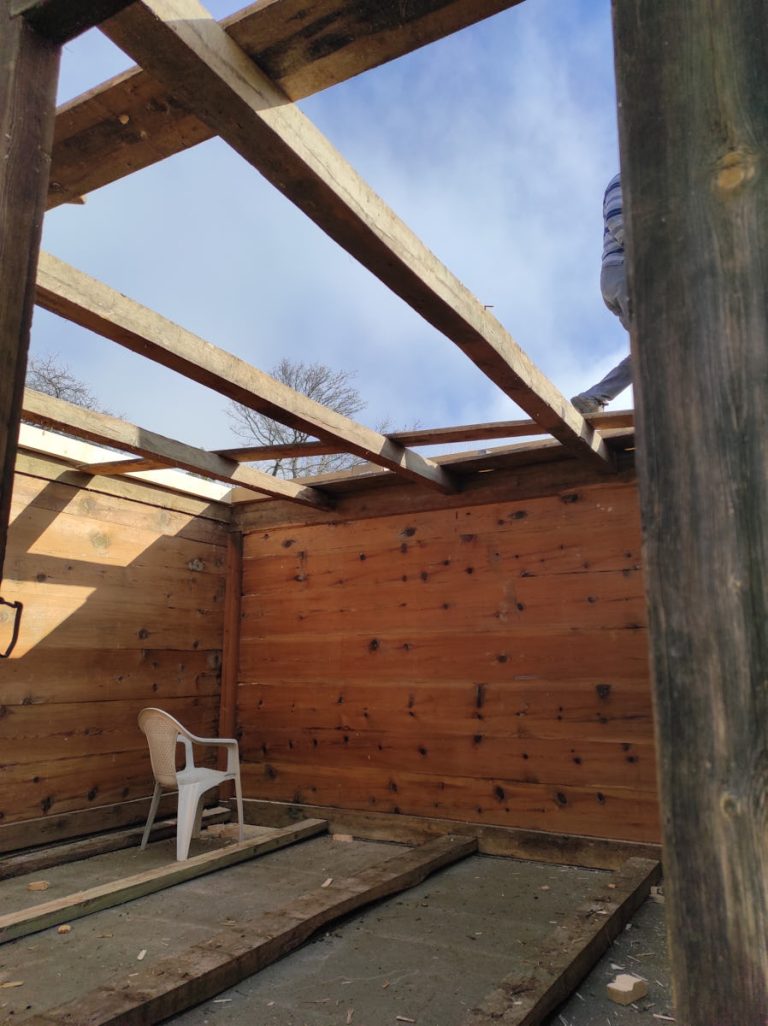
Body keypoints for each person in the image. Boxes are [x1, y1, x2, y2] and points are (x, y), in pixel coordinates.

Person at [570, 171, 632, 415]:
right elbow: (617, 220)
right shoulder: (626, 179)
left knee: (661, 345)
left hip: (623, 274)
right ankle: (593, 397)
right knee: (660, 343)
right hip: (626, 270)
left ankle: (592, 399)